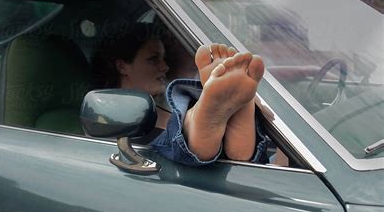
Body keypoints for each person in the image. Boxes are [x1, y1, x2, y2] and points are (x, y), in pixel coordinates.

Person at [93, 23, 269, 165]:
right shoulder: (105, 111)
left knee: (200, 130)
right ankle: (194, 131)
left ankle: (230, 122)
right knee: (170, 144)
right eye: (153, 59)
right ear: (122, 66)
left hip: (228, 173)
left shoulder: (166, 106)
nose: (165, 67)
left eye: (164, 58)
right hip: (166, 167)